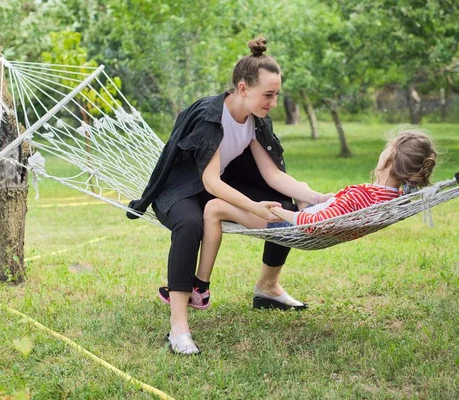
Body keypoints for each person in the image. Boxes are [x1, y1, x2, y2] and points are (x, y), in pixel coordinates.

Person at [126, 38, 329, 355]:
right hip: (179, 189)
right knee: (190, 226)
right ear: (244, 88)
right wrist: (252, 208)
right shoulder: (211, 116)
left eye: (276, 95)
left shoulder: (255, 118)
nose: (273, 102)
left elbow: (272, 174)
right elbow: (209, 180)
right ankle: (179, 328)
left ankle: (267, 289)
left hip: (211, 189)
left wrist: (317, 197)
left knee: (284, 208)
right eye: (268, 95)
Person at [195, 126, 437, 296]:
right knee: (300, 188)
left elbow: (312, 224)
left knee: (214, 207)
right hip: (321, 216)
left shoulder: (364, 195)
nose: (383, 151)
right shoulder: (396, 196)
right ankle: (253, 138)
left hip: (299, 227)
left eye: (387, 148)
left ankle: (200, 287)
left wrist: (280, 213)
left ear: (389, 159)